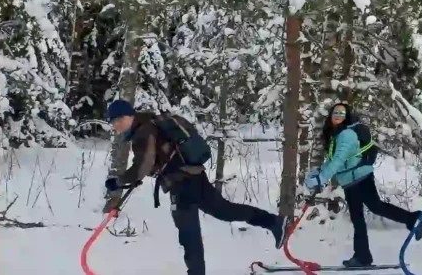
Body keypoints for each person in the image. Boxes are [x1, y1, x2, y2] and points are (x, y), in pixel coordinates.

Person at [103, 100, 287, 275]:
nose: (116, 125)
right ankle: (273, 222)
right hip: (193, 176)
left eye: (119, 119)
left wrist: (118, 181)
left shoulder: (143, 132)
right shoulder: (149, 125)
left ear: (130, 116)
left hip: (182, 184)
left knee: (189, 236)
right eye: (113, 122)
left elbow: (142, 165)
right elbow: (155, 159)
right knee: (225, 211)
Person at [304, 102, 421, 268]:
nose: (337, 115)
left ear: (346, 116)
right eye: (335, 112)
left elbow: (338, 160)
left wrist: (321, 178)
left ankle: (363, 255)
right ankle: (365, 253)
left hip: (358, 178)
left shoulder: (347, 135)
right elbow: (332, 160)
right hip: (352, 179)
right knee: (372, 209)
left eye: (341, 113)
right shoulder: (337, 135)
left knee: (362, 215)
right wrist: (319, 173)